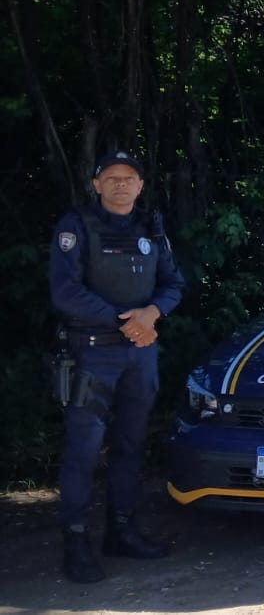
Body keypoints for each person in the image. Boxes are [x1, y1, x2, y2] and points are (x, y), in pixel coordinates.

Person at [49, 151, 185, 583]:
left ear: (141, 184)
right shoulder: (76, 226)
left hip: (139, 352)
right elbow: (66, 292)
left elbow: (173, 283)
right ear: (97, 183)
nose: (121, 184)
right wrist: (125, 322)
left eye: (129, 177)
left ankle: (122, 532)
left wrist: (152, 314)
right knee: (83, 450)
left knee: (131, 443)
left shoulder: (151, 227)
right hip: (92, 352)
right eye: (112, 177)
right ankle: (77, 543)